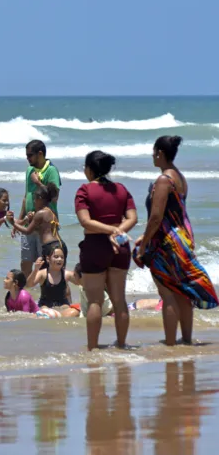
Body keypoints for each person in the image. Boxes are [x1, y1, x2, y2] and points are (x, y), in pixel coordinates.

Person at [134, 136, 218, 345]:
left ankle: (170, 343)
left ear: (160, 153)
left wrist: (144, 245)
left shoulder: (164, 180)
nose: (152, 156)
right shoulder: (179, 177)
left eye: (154, 152)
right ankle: (186, 340)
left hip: (166, 241)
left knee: (167, 292)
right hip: (182, 237)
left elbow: (156, 217)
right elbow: (172, 214)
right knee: (182, 291)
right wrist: (144, 236)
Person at [75, 150, 138, 350]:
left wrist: (110, 230)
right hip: (120, 246)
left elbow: (86, 221)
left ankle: (92, 348)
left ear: (90, 169)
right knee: (119, 299)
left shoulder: (84, 191)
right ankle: (121, 344)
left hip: (95, 246)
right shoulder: (121, 189)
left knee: (94, 300)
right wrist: (117, 230)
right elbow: (132, 218)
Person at [14, 140, 62, 277]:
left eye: (30, 155)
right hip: (28, 223)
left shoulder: (51, 170)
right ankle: (27, 296)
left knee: (45, 265)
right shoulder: (30, 170)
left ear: (40, 154)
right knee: (25, 264)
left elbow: (54, 197)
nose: (27, 159)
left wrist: (38, 182)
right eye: (27, 155)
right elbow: (26, 196)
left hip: (45, 228)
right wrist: (18, 220)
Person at [12, 183, 67, 264]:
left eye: (35, 199)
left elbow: (27, 231)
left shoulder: (40, 213)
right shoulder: (50, 211)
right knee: (57, 275)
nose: (34, 202)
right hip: (60, 245)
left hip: (51, 247)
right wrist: (30, 220)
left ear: (40, 199)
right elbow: (42, 230)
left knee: (46, 274)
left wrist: (12, 223)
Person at [27, 248, 80, 318]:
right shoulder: (42, 274)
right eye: (56, 257)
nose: (59, 259)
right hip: (45, 305)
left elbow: (82, 282)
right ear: (48, 259)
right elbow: (29, 284)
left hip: (63, 305)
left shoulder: (66, 274)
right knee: (43, 310)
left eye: (62, 257)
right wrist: (35, 269)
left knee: (71, 310)